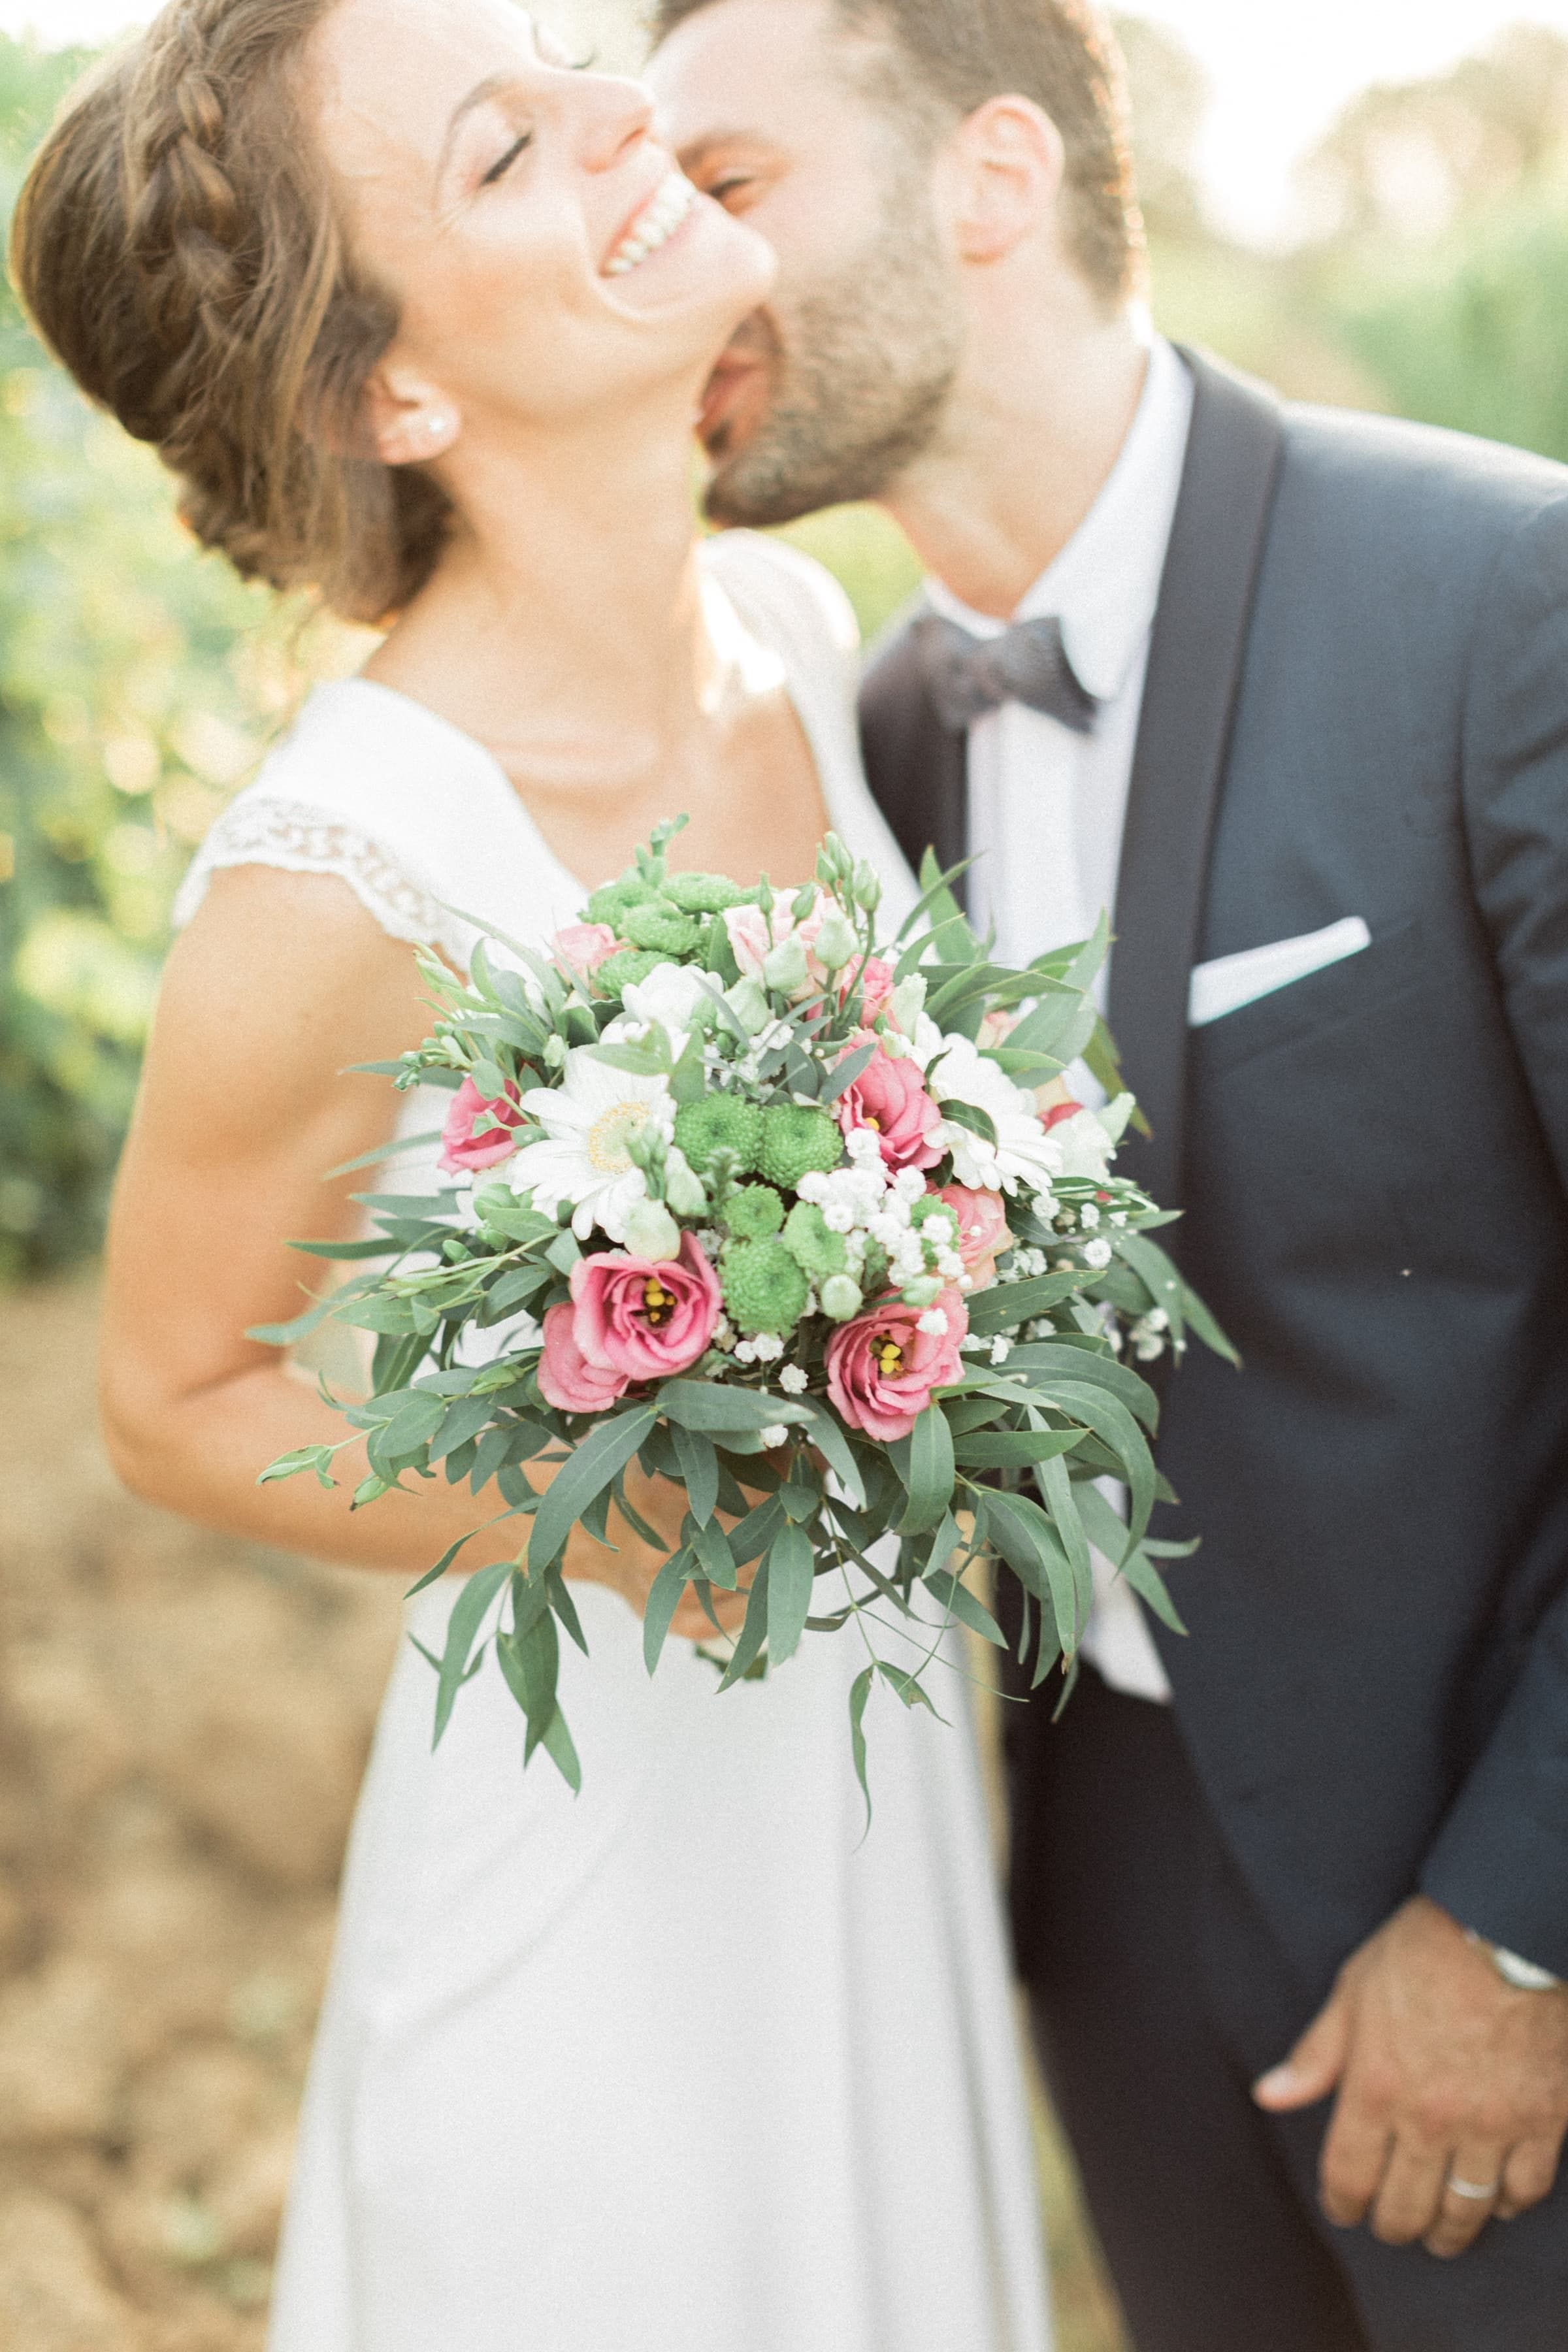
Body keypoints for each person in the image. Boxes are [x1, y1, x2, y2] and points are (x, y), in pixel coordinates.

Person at [10, 5, 1052, 2347]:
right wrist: (603, 1508)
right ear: (394, 394)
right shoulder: (341, 867)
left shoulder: (789, 636)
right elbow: (171, 1397)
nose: (622, 111)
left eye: (573, 59)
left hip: (859, 1818)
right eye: (505, 148)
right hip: (597, 1880)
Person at [647, 2, 1568, 2348]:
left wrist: (1524, 1920)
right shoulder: (856, 745)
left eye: (728, 186)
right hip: (1103, 1911)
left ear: (991, 180)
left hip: (1496, 1907)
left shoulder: (1501, 605)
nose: (663, 260)